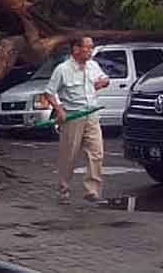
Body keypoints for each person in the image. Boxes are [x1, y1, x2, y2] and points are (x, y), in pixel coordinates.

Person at [42, 36, 109, 205]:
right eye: (88, 47)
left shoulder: (93, 65)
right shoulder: (62, 69)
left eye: (92, 47)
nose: (91, 50)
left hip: (92, 115)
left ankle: (92, 191)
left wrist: (104, 82)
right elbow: (50, 92)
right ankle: (63, 190)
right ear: (76, 49)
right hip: (73, 117)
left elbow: (104, 78)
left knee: (96, 153)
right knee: (69, 156)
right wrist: (59, 109)